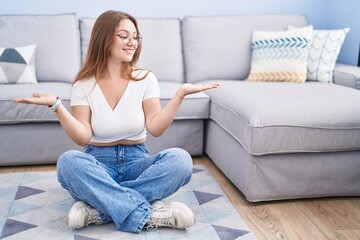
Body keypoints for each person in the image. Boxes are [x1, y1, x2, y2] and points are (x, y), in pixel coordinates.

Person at [13, 10, 219, 233]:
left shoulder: (146, 79)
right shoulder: (84, 84)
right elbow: (83, 135)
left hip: (137, 161)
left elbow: (155, 128)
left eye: (135, 36)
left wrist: (180, 95)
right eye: (124, 36)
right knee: (68, 163)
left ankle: (100, 209)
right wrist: (57, 106)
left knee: (181, 161)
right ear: (105, 37)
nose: (132, 42)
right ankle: (146, 212)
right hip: (98, 163)